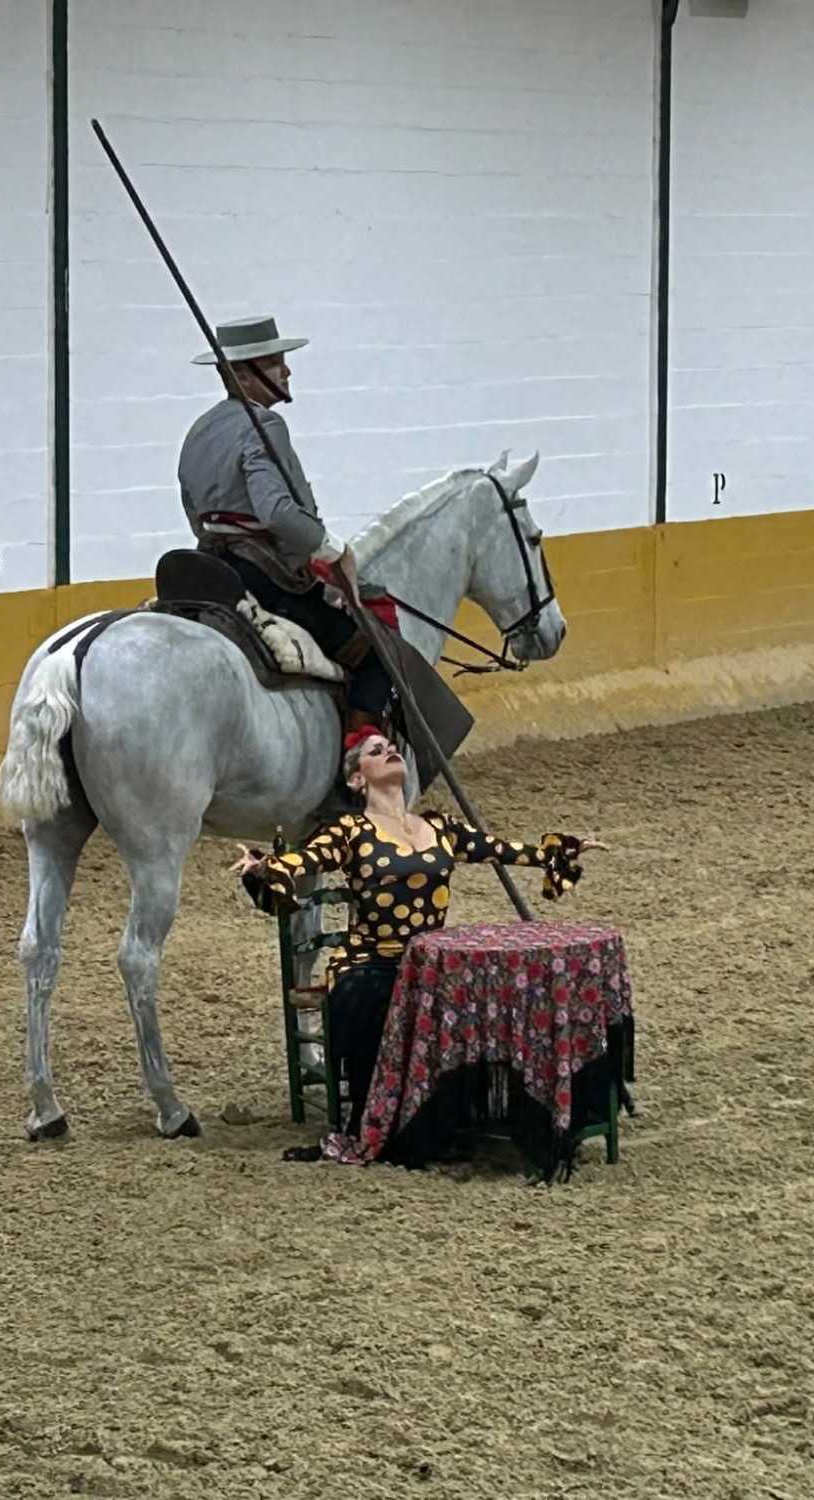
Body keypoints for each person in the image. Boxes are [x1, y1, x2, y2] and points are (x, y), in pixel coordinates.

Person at [232, 726, 607, 1167]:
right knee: (372, 998)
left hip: (430, 965)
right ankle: (379, 1124)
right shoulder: (349, 831)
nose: (389, 751)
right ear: (357, 778)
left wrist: (558, 852)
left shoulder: (441, 827)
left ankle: (471, 1116)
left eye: (391, 748)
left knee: (484, 995)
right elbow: (304, 860)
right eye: (376, 751)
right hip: (372, 961)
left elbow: (504, 850)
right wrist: (264, 868)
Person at [178, 314, 392, 737]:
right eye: (275, 363)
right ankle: (360, 758)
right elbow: (275, 510)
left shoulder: (198, 430)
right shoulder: (265, 424)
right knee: (374, 656)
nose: (287, 371)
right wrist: (334, 550)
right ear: (243, 374)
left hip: (209, 569)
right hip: (263, 578)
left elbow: (193, 509)